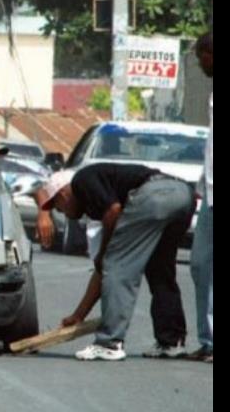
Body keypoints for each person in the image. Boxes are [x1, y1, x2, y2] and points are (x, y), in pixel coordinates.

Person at [41, 164, 194, 361]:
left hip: (154, 196)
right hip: (183, 195)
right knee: (160, 269)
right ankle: (171, 342)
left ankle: (109, 343)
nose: (61, 213)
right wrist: (79, 315)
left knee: (119, 268)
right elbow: (101, 269)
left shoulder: (81, 182)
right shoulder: (100, 198)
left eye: (58, 207)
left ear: (62, 194)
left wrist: (106, 252)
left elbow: (113, 215)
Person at [188, 31, 213, 363]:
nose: (199, 63)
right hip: (210, 193)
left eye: (201, 57)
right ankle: (207, 339)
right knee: (200, 264)